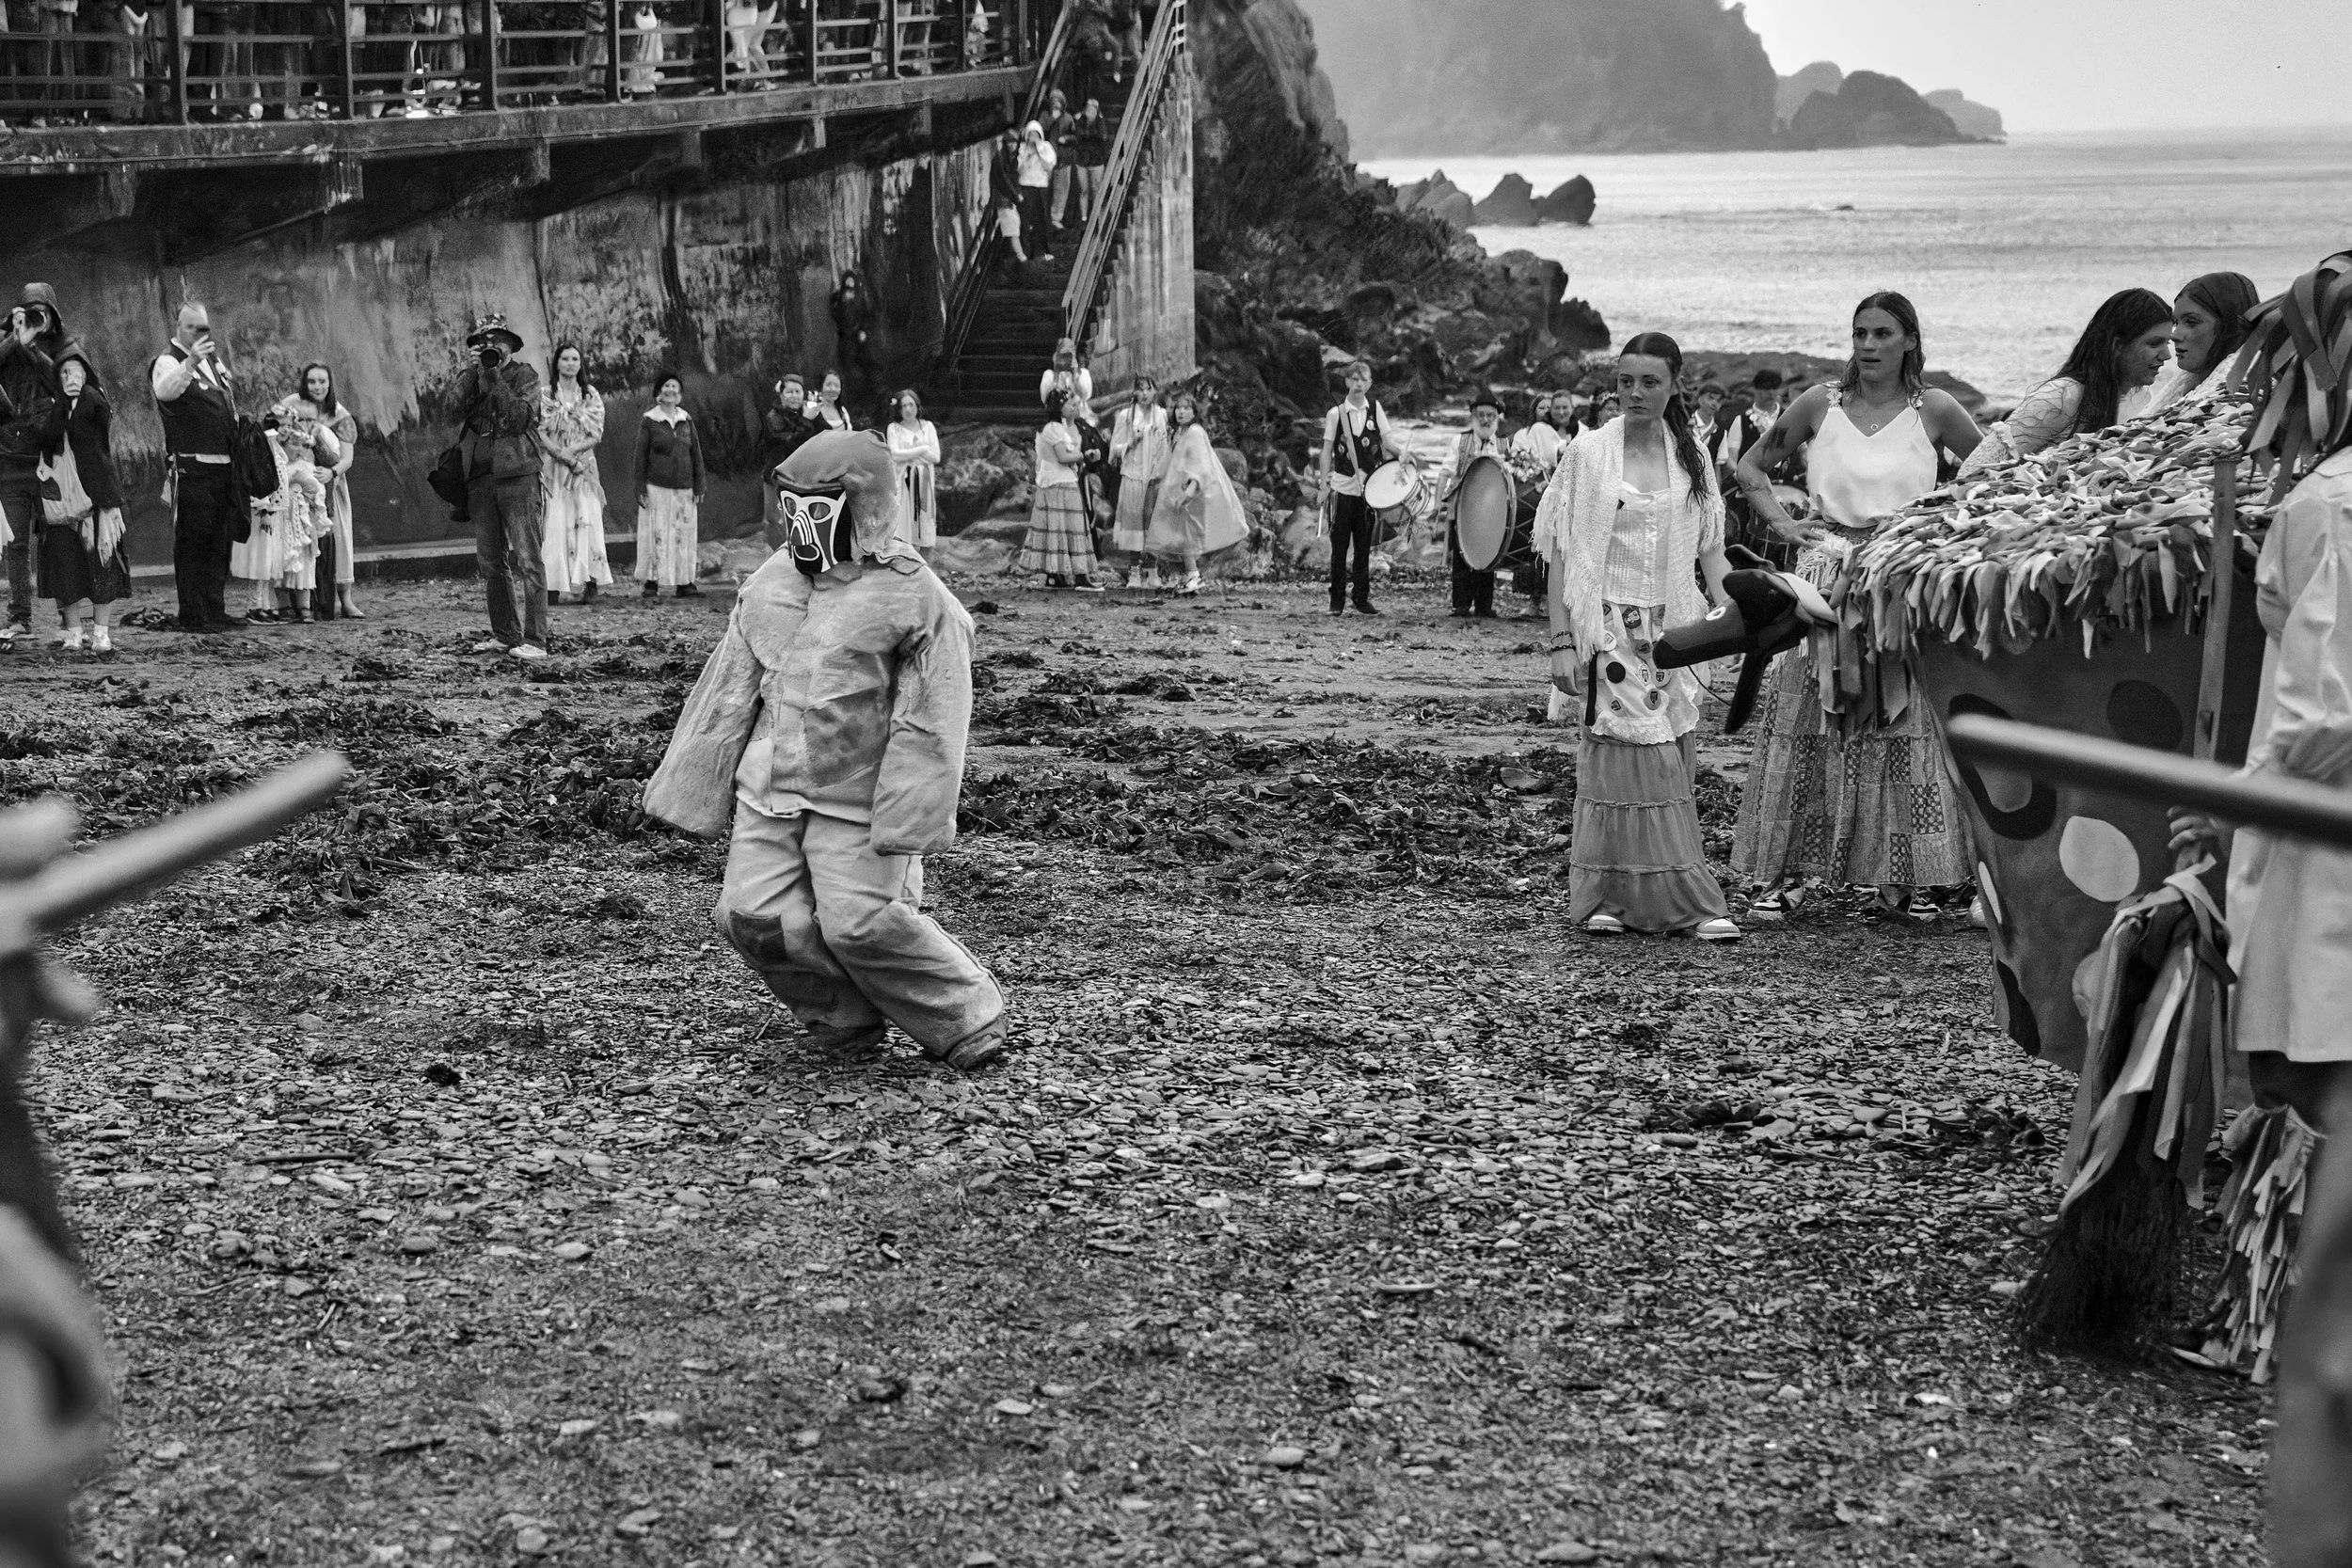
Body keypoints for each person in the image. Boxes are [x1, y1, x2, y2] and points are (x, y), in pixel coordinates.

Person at [645, 428, 1006, 1073]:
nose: (799, 526)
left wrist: (912, 813)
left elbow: (934, 707)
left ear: (858, 509)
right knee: (752, 916)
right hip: (770, 788)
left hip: (858, 796)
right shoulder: (769, 585)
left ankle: (965, 1013)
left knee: (861, 921)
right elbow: (728, 690)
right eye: (794, 509)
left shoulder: (915, 593)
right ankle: (843, 1013)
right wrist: (693, 785)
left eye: (817, 511)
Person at [1730, 292, 1986, 923]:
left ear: (1908, 341)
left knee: (1904, 722)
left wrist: (1942, 534)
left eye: (1881, 334)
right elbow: (1750, 467)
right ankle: (1785, 874)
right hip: (1824, 573)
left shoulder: (1937, 410)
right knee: (1808, 716)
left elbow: (1994, 476)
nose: (1868, 345)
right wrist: (1785, 526)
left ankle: (1904, 879)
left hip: (1902, 577)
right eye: (1860, 333)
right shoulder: (1821, 404)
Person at [1536, 333, 1740, 940]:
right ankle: (1629, 897)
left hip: (1675, 632)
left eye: (1649, 381)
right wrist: (1560, 642)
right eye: (1625, 381)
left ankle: (1646, 895)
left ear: (1675, 383)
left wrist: (1739, 614)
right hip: (1607, 630)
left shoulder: (1694, 457)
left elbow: (1712, 555)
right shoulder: (1589, 453)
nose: (1634, 393)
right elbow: (1561, 553)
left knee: (1669, 764)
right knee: (1625, 763)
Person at [1959, 288, 2174, 478]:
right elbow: (1973, 471)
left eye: (2168, 343)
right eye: (2154, 343)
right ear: (2116, 346)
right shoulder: (2063, 396)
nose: (2166, 355)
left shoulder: (2141, 398)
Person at [150, 299, 246, 635]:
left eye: (202, 326)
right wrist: (190, 362)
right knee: (194, 542)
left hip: (224, 466)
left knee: (220, 542)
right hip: (193, 467)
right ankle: (192, 613)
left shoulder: (214, 362)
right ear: (178, 327)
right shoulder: (168, 361)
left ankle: (214, 608)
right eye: (191, 326)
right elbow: (164, 392)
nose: (197, 332)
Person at [38, 347, 130, 654]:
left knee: (102, 569)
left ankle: (101, 634)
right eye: (65, 373)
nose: (71, 378)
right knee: (65, 571)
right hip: (60, 506)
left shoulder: (93, 401)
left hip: (98, 502)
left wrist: (84, 394)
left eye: (77, 372)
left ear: (86, 374)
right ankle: (74, 633)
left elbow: (100, 423)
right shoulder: (54, 409)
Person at [1, 284, 65, 647]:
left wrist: (33, 347)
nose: (37, 320)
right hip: (9, 457)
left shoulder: (60, 347)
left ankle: (66, 616)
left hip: (47, 457)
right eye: (29, 312)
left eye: (43, 313)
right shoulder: (6, 341)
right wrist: (14, 339)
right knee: (16, 544)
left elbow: (64, 380)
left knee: (57, 538)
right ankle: (20, 618)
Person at [1317, 358, 1403, 617]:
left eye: (1363, 379)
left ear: (1369, 383)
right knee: (1339, 546)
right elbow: (1326, 451)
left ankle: (1361, 598)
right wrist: (1323, 484)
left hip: (1369, 491)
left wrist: (1405, 455)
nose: (1358, 383)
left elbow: (1388, 442)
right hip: (1343, 489)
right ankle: (1336, 601)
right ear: (1346, 381)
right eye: (1353, 378)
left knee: (1364, 547)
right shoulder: (1336, 414)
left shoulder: (1375, 410)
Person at [276, 364, 361, 621]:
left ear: (329, 383)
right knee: (296, 542)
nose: (317, 387)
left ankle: (345, 600)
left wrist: (332, 472)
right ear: (305, 383)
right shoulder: (291, 404)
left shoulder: (339, 414)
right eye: (312, 381)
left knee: (339, 540)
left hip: (330, 485)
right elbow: (275, 434)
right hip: (296, 484)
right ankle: (295, 604)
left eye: (322, 381)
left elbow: (347, 458)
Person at [1145, 390, 1247, 597]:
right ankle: (1190, 573)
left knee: (1187, 536)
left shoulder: (1195, 432)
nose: (1181, 412)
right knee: (1180, 535)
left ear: (1194, 411)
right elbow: (1172, 460)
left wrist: (1189, 492)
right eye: (1178, 408)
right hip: (1176, 489)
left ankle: (1193, 574)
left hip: (1190, 491)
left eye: (1186, 408)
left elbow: (1199, 465)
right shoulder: (1179, 432)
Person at [539, 343, 611, 606]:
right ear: (557, 363)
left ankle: (589, 580)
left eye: (575, 359)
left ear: (580, 364)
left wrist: (573, 454)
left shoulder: (590, 396)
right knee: (555, 523)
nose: (570, 363)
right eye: (565, 359)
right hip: (555, 468)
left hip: (583, 466)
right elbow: (540, 430)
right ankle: (552, 585)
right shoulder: (546, 395)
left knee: (586, 519)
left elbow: (596, 432)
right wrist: (562, 455)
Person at [2143, 271, 2261, 417]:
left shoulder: (2241, 404)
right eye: (2176, 323)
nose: (2175, 335)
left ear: (2231, 326)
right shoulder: (2185, 392)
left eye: (2191, 322)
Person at [1019, 388, 1101, 591]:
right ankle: (1078, 576)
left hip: (1056, 481)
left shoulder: (1059, 427)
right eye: (1070, 404)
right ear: (1059, 407)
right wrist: (1085, 455)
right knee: (1072, 528)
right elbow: (1063, 457)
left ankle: (1058, 574)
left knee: (1059, 528)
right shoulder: (1053, 428)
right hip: (1060, 483)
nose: (1075, 408)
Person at [634, 370, 705, 598]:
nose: (671, 390)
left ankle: (685, 583)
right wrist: (640, 487)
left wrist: (699, 484)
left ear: (680, 394)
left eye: (675, 387)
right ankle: (652, 582)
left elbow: (696, 454)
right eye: (666, 386)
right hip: (657, 488)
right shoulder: (650, 420)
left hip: (684, 489)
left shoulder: (687, 420)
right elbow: (640, 457)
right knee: (656, 535)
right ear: (658, 393)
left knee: (683, 536)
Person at [1440, 389, 1509, 619]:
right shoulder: (1459, 441)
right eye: (1481, 414)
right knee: (1461, 557)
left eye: (1490, 415)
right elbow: (1445, 471)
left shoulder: (1504, 444)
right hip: (1463, 507)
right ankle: (1460, 604)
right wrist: (1438, 502)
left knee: (1488, 555)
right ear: (1473, 415)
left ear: (1497, 417)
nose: (1486, 420)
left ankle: (1484, 606)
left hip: (1491, 510)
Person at [1108, 373, 1170, 588]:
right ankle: (1134, 571)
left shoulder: (1161, 415)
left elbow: (1165, 447)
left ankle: (1152, 570)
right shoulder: (1126, 416)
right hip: (1133, 476)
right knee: (1134, 525)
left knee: (1153, 523)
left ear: (1155, 391)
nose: (1144, 394)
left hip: (1154, 478)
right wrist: (1130, 443)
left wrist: (1162, 472)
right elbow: (1113, 452)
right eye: (1140, 389)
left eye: (1148, 389)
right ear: (1134, 392)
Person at [884, 388, 939, 552]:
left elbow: (935, 457)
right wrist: (922, 449)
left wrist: (908, 455)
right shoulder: (893, 428)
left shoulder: (928, 427)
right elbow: (894, 454)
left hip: (924, 480)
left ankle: (927, 567)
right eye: (903, 406)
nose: (908, 409)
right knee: (904, 522)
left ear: (917, 406)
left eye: (911, 405)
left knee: (924, 521)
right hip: (903, 481)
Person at [830, 270, 876, 408]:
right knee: (849, 370)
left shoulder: (861, 298)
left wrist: (863, 331)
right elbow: (836, 315)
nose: (849, 284)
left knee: (864, 368)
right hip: (845, 340)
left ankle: (866, 401)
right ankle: (852, 404)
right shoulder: (838, 298)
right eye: (847, 281)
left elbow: (868, 316)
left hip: (859, 339)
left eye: (852, 281)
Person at [1016, 119, 1056, 262]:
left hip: (1041, 186)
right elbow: (1017, 168)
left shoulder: (1046, 147)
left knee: (1042, 218)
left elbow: (1049, 165)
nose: (1033, 137)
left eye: (1036, 134)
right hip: (1026, 185)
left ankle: (1044, 249)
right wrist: (1027, 154)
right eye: (1030, 134)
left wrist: (1038, 150)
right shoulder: (1021, 148)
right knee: (1027, 220)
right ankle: (1028, 251)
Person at [1042, 88, 1078, 234]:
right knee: (1045, 189)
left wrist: (1066, 139)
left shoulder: (1068, 119)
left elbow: (1075, 137)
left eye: (1058, 102)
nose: (1055, 105)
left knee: (1062, 188)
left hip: (1064, 158)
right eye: (1053, 102)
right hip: (1048, 158)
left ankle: (1057, 217)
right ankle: (1044, 217)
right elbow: (1040, 133)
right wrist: (1052, 118)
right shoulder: (1045, 117)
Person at [1071, 96, 1111, 227]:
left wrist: (1089, 133)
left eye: (1093, 109)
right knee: (1083, 189)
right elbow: (1078, 135)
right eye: (1088, 109)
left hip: (1097, 160)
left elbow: (1102, 137)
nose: (1090, 111)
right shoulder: (1080, 122)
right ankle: (1083, 216)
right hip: (1082, 160)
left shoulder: (1100, 123)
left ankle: (1097, 214)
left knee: (1096, 189)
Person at [1038, 337, 1095, 425]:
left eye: (1070, 354)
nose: (1067, 359)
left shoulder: (1083, 373)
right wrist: (1057, 372)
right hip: (1058, 420)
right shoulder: (1049, 375)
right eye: (1064, 356)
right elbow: (1045, 398)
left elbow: (1085, 395)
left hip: (1080, 419)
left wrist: (1075, 373)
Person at [1510, 391, 1568, 474]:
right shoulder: (1522, 434)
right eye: (1541, 408)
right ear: (1534, 412)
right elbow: (1515, 460)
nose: (1546, 411)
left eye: (1549, 408)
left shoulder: (1563, 434)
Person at [810, 370, 854, 434]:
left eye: (837, 386)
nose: (833, 389)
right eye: (828, 385)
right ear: (821, 387)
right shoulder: (813, 410)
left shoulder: (843, 411)